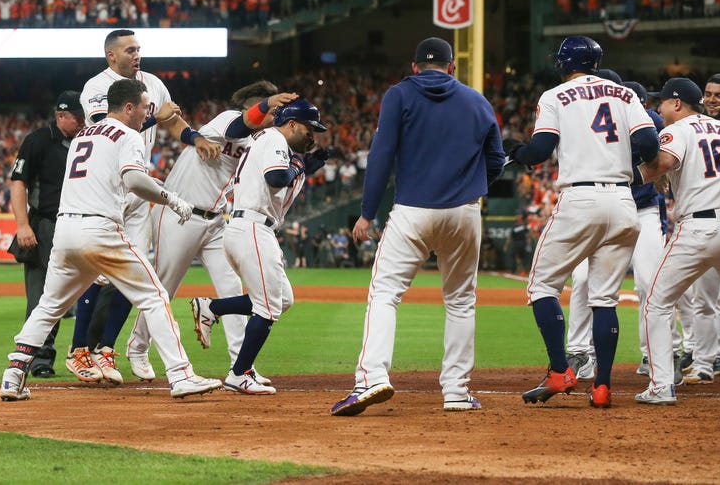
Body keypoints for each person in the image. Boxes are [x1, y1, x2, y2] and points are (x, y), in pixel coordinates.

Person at [0, 78, 223, 401]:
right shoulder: (128, 135)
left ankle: (13, 374)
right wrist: (172, 199)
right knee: (155, 295)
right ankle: (182, 375)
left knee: (48, 306)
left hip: (66, 232)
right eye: (144, 107)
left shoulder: (82, 135)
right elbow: (133, 179)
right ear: (129, 107)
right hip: (100, 230)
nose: (147, 113)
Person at [329, 37, 505, 416]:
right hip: (464, 211)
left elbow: (381, 155)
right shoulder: (478, 101)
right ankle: (456, 392)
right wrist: (472, 190)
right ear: (452, 67)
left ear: (414, 67)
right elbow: (496, 160)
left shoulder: (399, 95)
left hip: (412, 209)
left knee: (385, 293)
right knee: (460, 301)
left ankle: (371, 378)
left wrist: (366, 212)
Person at [503, 36, 660, 408]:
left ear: (564, 63)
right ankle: (602, 387)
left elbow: (539, 152)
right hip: (623, 201)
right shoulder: (625, 94)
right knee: (605, 299)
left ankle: (560, 371)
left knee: (542, 286)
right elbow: (650, 145)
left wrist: (514, 150)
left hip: (580, 198)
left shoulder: (555, 95)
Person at [67, 29, 221, 385]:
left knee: (133, 273)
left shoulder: (152, 83)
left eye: (139, 48)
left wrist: (195, 137)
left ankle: (106, 351)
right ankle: (79, 351)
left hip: (138, 191)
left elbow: (172, 120)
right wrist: (157, 115)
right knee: (99, 272)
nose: (137, 54)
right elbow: (104, 127)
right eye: (129, 49)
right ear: (111, 56)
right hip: (109, 189)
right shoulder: (97, 87)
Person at [122, 81, 297, 388]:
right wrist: (265, 104)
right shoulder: (230, 118)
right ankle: (137, 348)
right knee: (164, 286)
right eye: (273, 111)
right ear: (256, 108)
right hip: (179, 213)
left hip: (217, 221)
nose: (277, 117)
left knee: (232, 288)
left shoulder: (265, 142)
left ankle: (241, 368)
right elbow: (241, 125)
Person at [190, 97, 329, 395]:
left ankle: (212, 307)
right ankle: (239, 373)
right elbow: (277, 177)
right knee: (267, 308)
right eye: (309, 128)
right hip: (252, 228)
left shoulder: (272, 143)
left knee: (282, 299)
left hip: (250, 228)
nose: (312, 135)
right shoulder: (275, 139)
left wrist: (304, 168)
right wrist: (302, 164)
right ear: (291, 124)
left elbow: (279, 179)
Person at [633, 77, 720, 405]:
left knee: (656, 303)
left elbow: (661, 165)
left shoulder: (677, 130)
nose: (659, 108)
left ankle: (661, 386)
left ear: (677, 103)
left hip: (698, 228)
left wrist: (629, 173)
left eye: (663, 102)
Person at [565, 76, 681, 384]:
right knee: (582, 279)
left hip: (642, 211)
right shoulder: (586, 116)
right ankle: (579, 354)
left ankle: (660, 354)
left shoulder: (650, 118)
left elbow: (666, 154)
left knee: (649, 282)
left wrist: (657, 171)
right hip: (601, 210)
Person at [8, 91, 85, 378]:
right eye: (77, 116)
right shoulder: (38, 140)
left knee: (82, 295)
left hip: (81, 225)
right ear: (61, 115)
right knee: (41, 297)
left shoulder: (86, 140)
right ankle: (38, 359)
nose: (82, 121)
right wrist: (22, 224)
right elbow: (18, 182)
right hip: (45, 225)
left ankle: (87, 354)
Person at [676, 73, 720, 385]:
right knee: (705, 298)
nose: (712, 101)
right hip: (704, 219)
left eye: (719, 96)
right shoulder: (698, 129)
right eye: (708, 95)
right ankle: (707, 360)